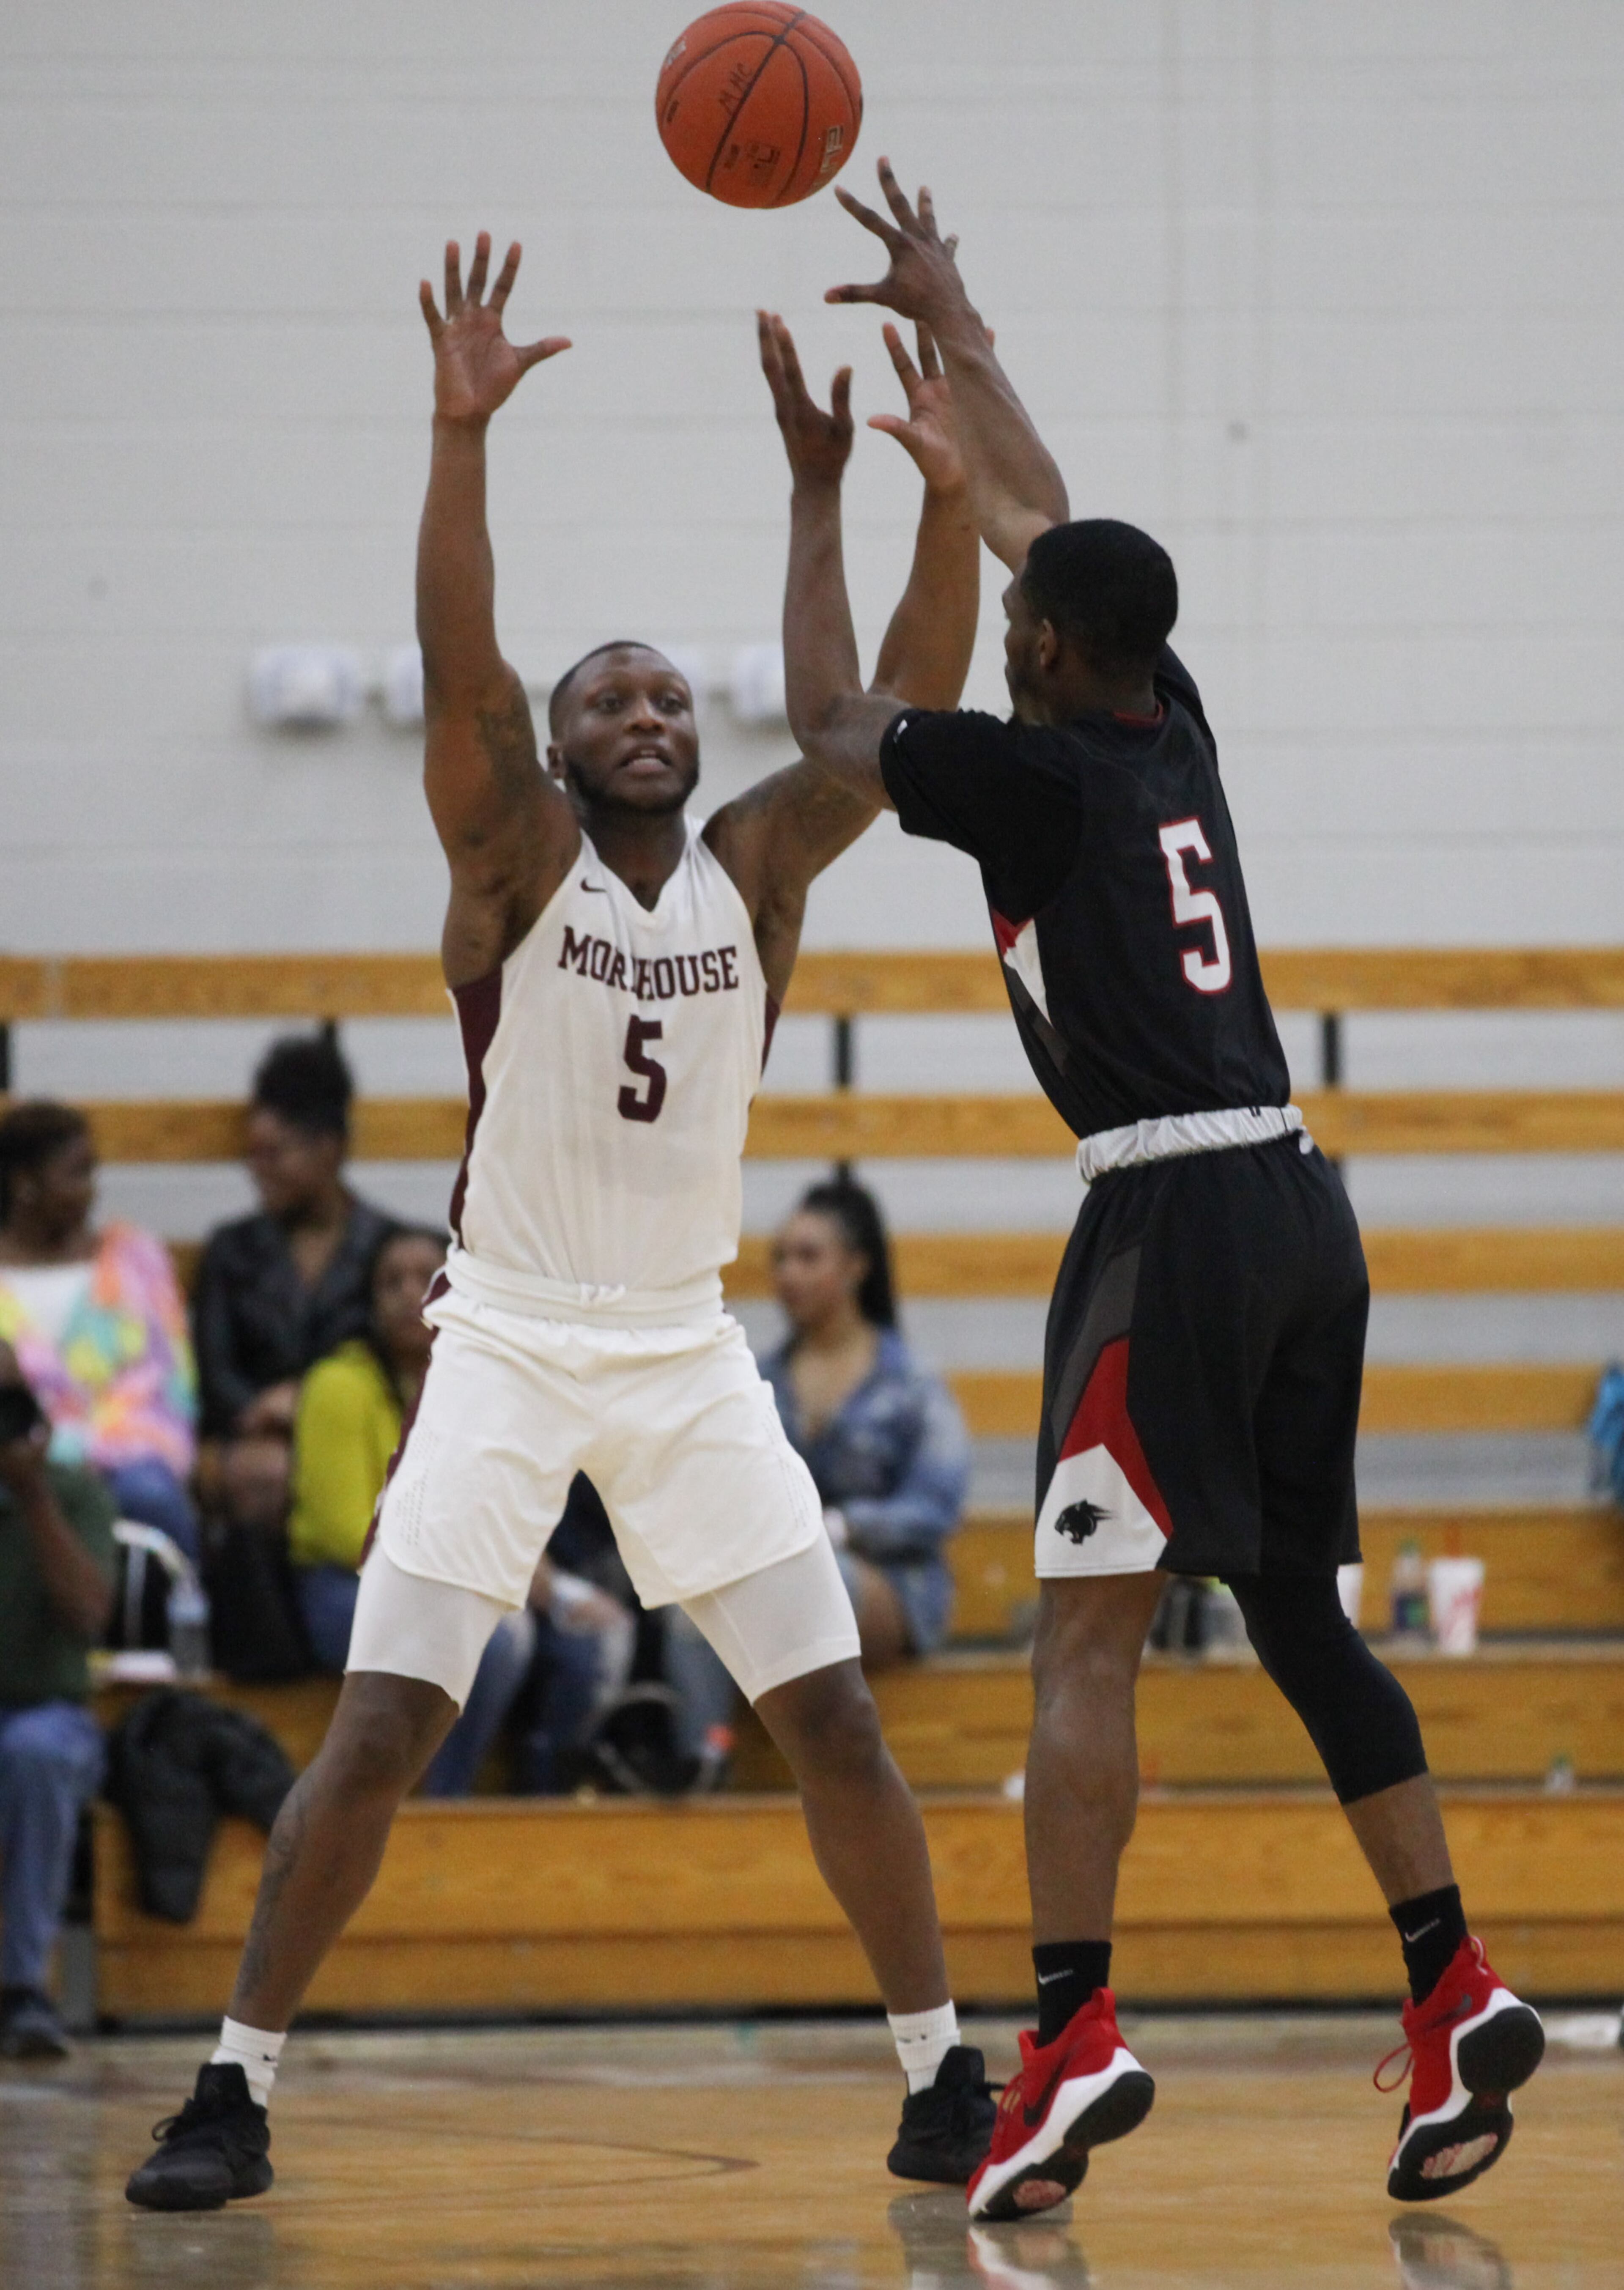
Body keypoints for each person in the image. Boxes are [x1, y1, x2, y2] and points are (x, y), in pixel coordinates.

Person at [126, 228, 995, 2214]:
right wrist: (459, 439)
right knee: (384, 1724)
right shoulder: (513, 858)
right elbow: (460, 666)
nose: (648, 708)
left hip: (684, 1341)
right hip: (509, 1332)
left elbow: (897, 716)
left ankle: (945, 2078)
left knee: (833, 1715)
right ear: (560, 740)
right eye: (611, 692)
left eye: (670, 694)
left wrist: (865, 486)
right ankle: (232, 2090)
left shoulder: (758, 871)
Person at [771, 159, 1546, 2220]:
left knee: (1084, 1642)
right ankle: (1451, 1984)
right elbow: (1054, 517)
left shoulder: (1030, 767)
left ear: (1041, 643)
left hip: (1171, 1222)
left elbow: (822, 718)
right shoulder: (1165, 719)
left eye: (1019, 603)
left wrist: (824, 484)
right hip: (1303, 1198)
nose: (1012, 604)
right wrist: (967, 322)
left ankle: (1072, 2034)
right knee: (1293, 1603)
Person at [289, 1223, 620, 1793]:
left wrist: (553, 1587)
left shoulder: (481, 1387)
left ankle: (545, 1799)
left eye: (425, 1278)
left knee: (593, 1636)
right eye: (389, 1282)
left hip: (459, 1573)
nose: (406, 1294)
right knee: (492, 1636)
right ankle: (445, 1800)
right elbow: (353, 1535)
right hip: (346, 1587)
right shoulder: (336, 1384)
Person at [193, 1034, 394, 1532]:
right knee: (266, 1474)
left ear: (329, 1149)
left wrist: (308, 1405)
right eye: (252, 1156)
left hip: (364, 1435)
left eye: (274, 1155)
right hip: (256, 1444)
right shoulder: (231, 1251)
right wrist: (264, 1414)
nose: (258, 1172)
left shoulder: (391, 1250)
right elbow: (216, 1375)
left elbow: (401, 1363)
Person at [0, 1101, 198, 1558]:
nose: (92, 1192)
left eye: (93, 1173)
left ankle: (179, 1624)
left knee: (153, 1500)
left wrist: (80, 1450)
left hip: (128, 1460)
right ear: (25, 1186)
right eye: (77, 1175)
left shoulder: (135, 1259)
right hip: (10, 1461)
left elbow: (167, 1387)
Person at [0, 1341, 116, 2061]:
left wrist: (33, 1496)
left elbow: (90, 1615)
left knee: (35, 1755)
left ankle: (22, 1989)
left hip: (49, 1711)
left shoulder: (72, 1491)